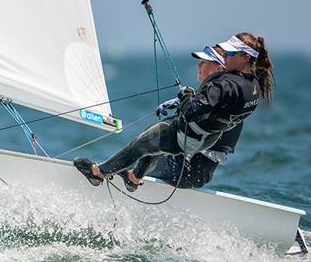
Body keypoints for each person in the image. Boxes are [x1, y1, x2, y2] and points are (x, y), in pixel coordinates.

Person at [74, 32, 274, 189]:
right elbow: (216, 110)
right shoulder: (252, 85)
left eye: (205, 61)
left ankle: (98, 173)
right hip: (199, 146)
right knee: (157, 136)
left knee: (145, 142)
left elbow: (195, 112)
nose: (199, 65)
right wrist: (188, 99)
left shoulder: (224, 85)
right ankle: (133, 178)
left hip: (189, 166)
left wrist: (187, 98)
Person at [125, 45, 239, 190]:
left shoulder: (218, 103)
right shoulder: (228, 100)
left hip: (183, 171)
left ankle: (125, 180)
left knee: (139, 155)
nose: (198, 65)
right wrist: (183, 102)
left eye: (204, 62)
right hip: (199, 174)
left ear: (219, 68)